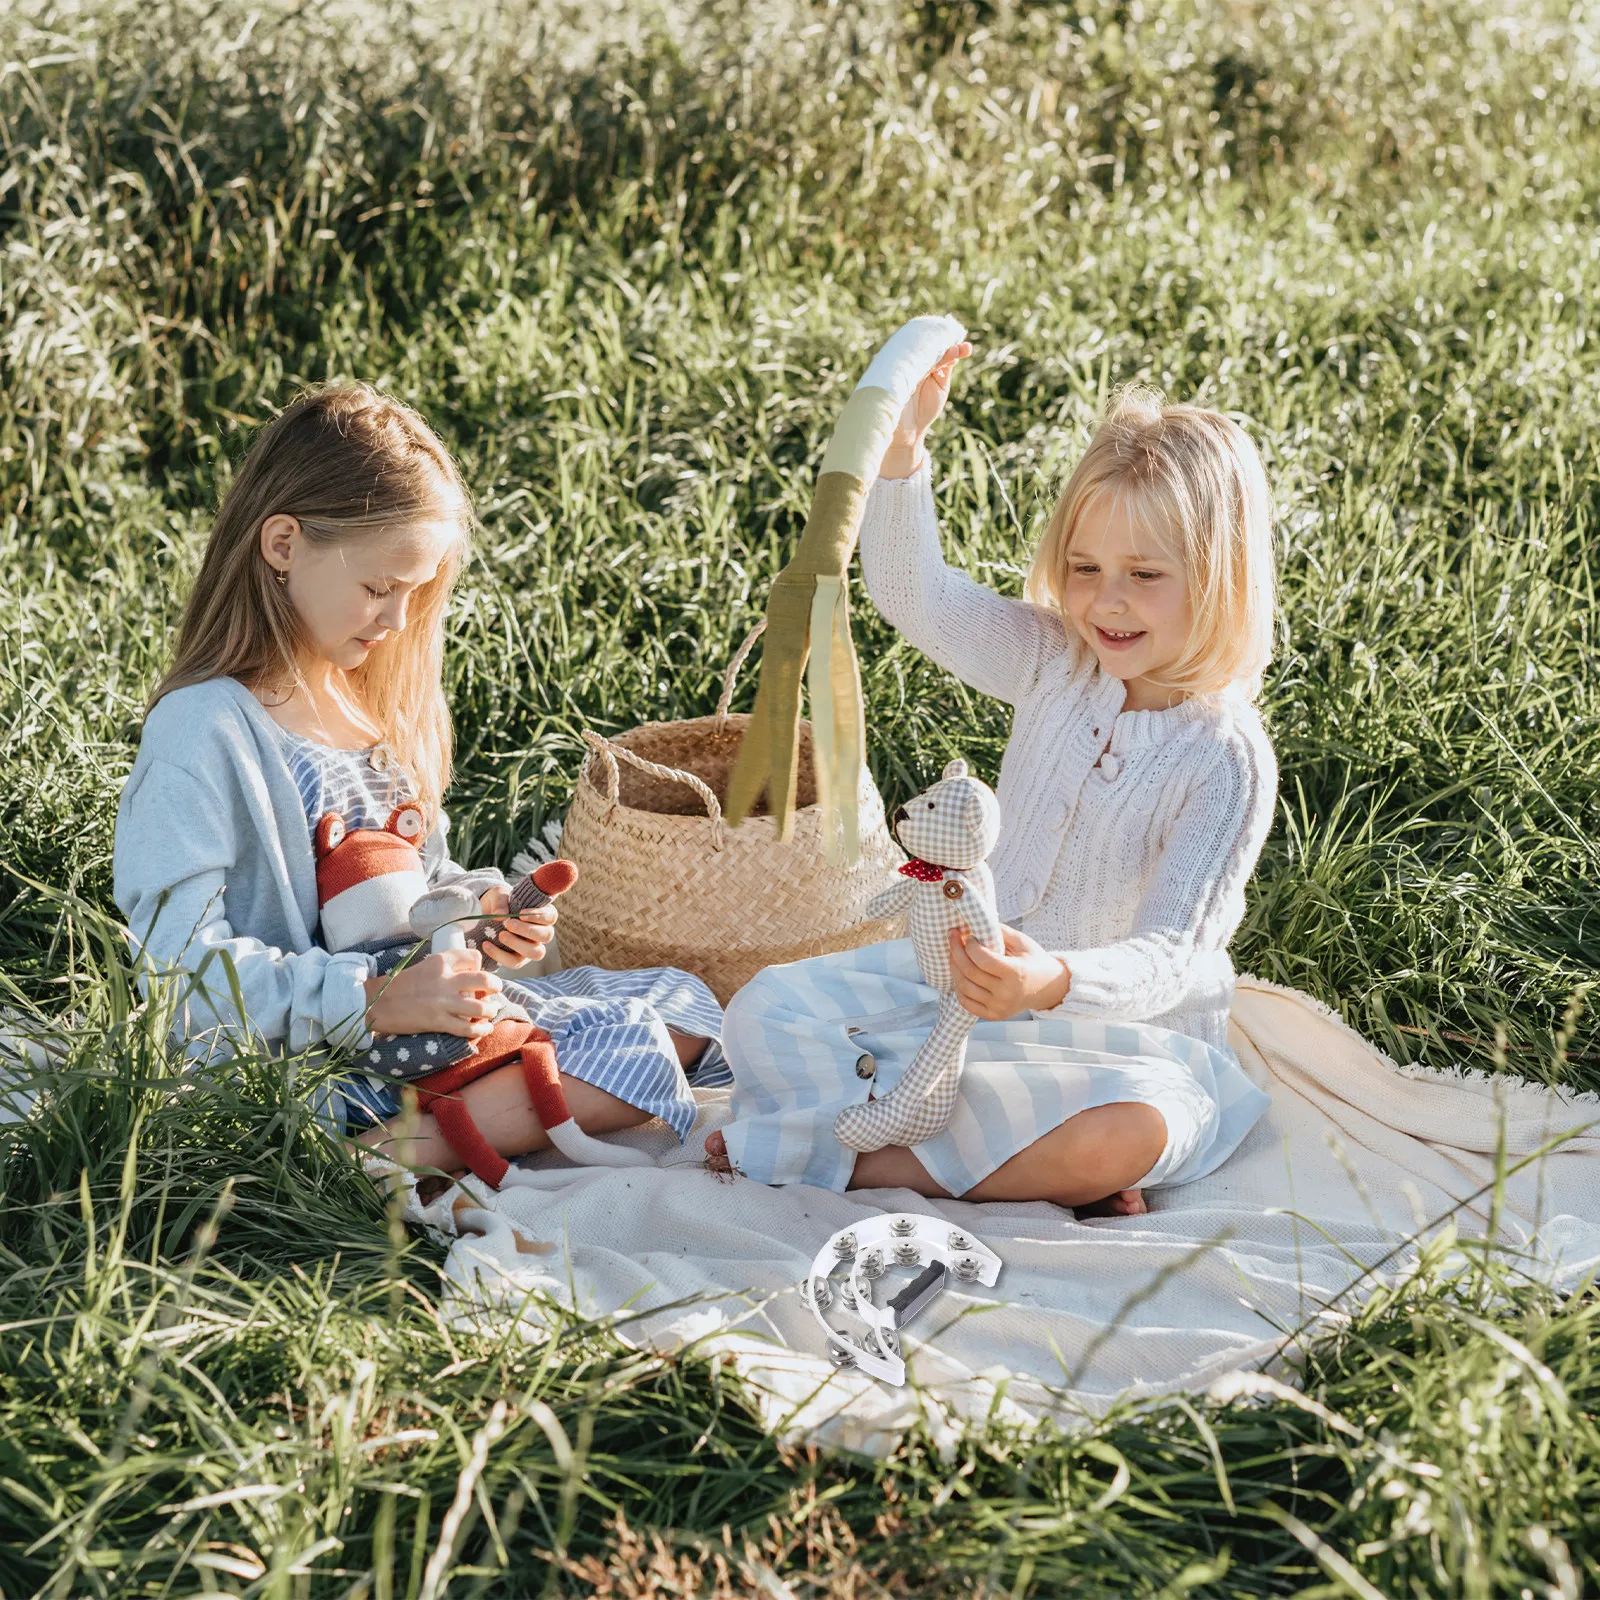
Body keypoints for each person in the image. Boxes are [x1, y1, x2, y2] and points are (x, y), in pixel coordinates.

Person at [706, 342, 1278, 1215]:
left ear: (1222, 579)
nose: (1106, 603)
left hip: (1119, 1043)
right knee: (765, 1005)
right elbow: (917, 597)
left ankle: (866, 1164)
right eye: (1085, 570)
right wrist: (903, 455)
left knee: (1128, 1134)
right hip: (965, 997)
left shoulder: (1223, 758)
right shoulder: (1056, 660)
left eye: (1146, 577)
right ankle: (999, 1160)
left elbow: (1175, 954)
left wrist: (1054, 983)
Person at [114, 384, 725, 1179]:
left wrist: (479, 916)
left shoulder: (363, 708)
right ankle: (372, 1159)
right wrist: (370, 1002)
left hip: (414, 1030)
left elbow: (417, 891)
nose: (398, 620)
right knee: (635, 1047)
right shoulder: (205, 728)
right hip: (306, 1059)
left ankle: (453, 1116)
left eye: (416, 593)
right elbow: (174, 969)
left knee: (685, 1001)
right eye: (378, 588)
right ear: (282, 544)